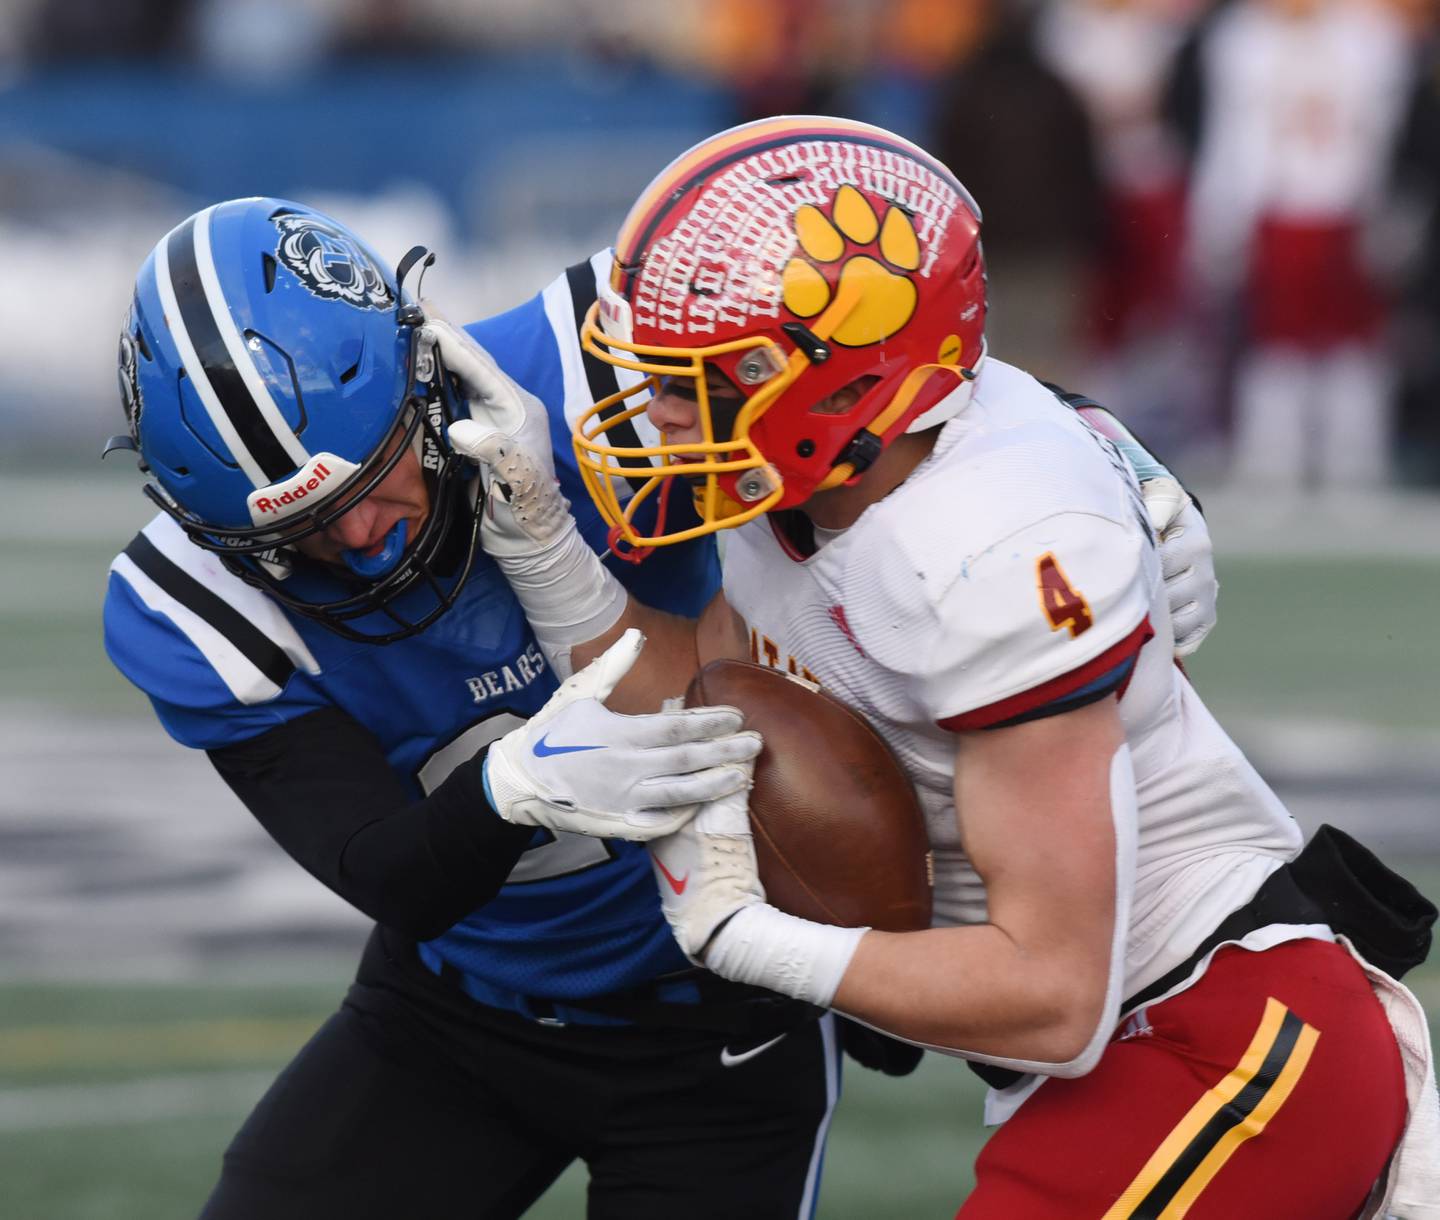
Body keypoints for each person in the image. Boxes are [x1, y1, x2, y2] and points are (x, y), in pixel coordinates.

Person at [102, 194, 1219, 1218]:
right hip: (457, 1010)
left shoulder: (597, 362)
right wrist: (512, 790)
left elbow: (894, 371)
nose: (361, 535)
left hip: (724, 1020)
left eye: (374, 472)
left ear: (419, 368)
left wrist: (1095, 450)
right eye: (292, 532)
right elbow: (390, 869)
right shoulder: (193, 607)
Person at [454, 116, 1439, 1217]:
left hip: (1221, 1036)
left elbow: (1053, 991)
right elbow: (713, 711)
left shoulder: (987, 548)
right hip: (1120, 1055)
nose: (662, 416)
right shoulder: (831, 471)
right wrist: (544, 556)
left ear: (842, 383)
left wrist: (753, 937)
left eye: (705, 379)